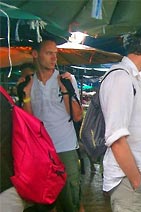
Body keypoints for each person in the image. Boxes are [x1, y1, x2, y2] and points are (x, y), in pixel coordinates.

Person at [99, 23, 141, 212]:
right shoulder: (121, 78)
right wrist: (137, 181)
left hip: (137, 180)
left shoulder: (132, 78)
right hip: (129, 183)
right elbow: (116, 138)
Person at [20, 38, 84, 212]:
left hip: (65, 147)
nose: (54, 58)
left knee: (71, 200)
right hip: (41, 151)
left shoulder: (65, 80)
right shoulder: (29, 83)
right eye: (49, 53)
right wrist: (25, 96)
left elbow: (78, 116)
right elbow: (28, 121)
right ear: (35, 54)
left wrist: (64, 90)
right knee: (46, 202)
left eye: (55, 54)